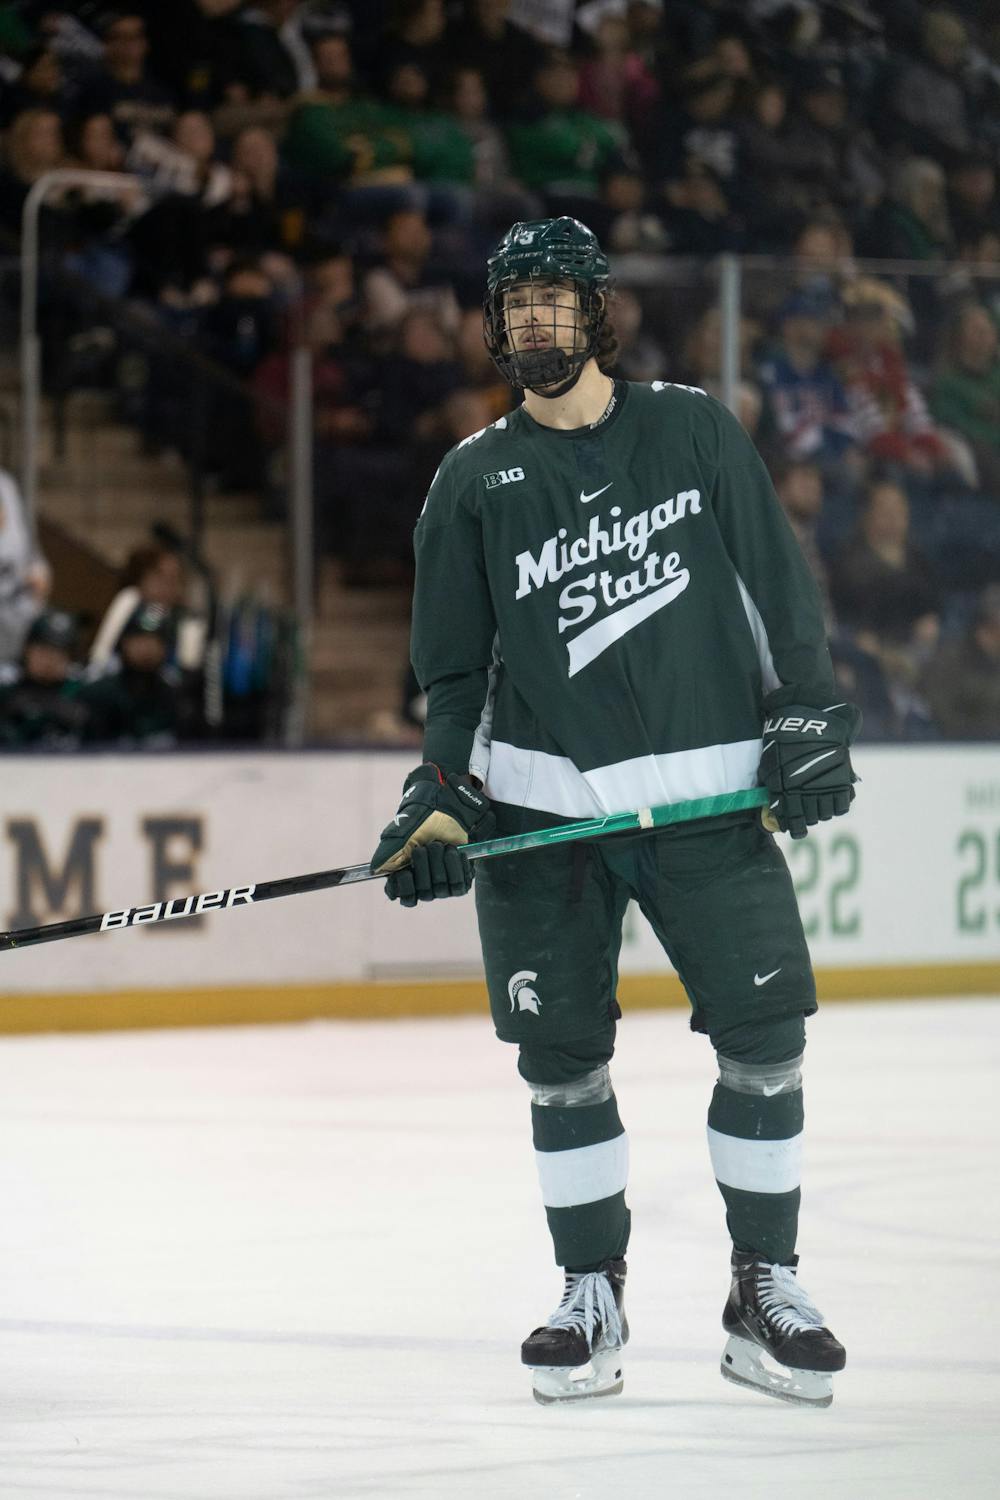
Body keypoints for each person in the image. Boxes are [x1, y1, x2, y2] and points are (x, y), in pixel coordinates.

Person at [368, 216, 859, 1408]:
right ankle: (590, 1290)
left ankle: (763, 1285)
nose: (535, 321)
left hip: (702, 807)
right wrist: (437, 797)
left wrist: (806, 712)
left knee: (766, 1046)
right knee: (563, 1070)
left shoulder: (690, 429)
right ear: (497, 322)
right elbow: (449, 676)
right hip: (546, 823)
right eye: (516, 302)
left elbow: (780, 592)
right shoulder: (472, 480)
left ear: (597, 316)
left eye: (555, 300)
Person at [0, 610, 89, 748]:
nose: (49, 660)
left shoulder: (84, 694)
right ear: (27, 651)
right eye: (43, 650)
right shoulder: (6, 693)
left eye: (59, 653)